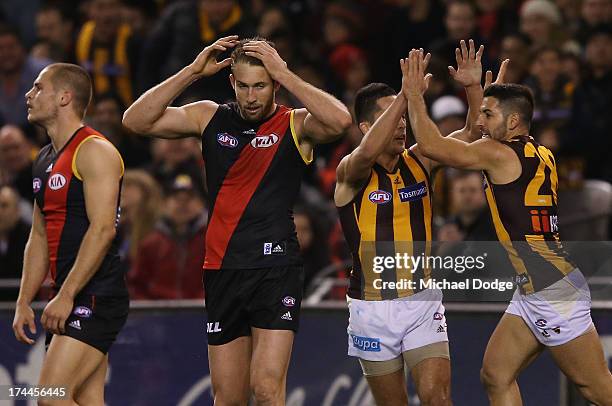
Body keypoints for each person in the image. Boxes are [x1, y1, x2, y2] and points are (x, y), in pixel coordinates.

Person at [122, 35, 352, 404]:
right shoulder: (209, 116)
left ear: (274, 84)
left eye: (260, 86)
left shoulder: (295, 123)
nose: (251, 96)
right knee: (227, 397)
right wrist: (192, 72)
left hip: (275, 268)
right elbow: (135, 120)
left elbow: (340, 120)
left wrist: (287, 74)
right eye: (243, 86)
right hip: (222, 267)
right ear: (232, 83)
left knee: (265, 388)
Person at [403, 49, 612, 405]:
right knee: (496, 376)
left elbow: (431, 146)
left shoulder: (499, 155)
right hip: (537, 285)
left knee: (599, 390)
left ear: (513, 122)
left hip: (551, 291)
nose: (481, 120)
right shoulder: (538, 151)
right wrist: (479, 92)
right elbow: (483, 135)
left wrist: (413, 96)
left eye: (488, 113)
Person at [334, 40, 502, 405]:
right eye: (388, 118)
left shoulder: (422, 160)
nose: (400, 126)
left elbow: (473, 136)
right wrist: (405, 97)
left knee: (436, 397)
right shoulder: (351, 171)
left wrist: (473, 88)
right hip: (371, 306)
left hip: (421, 300)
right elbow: (365, 154)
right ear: (366, 126)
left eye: (402, 116)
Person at [12, 63, 128, 405]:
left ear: (64, 97)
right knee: (86, 399)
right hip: (70, 294)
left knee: (51, 397)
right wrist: (23, 300)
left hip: (95, 294)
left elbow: (104, 229)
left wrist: (67, 295)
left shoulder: (95, 151)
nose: (28, 95)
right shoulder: (43, 159)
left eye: (37, 88)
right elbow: (39, 235)